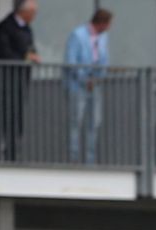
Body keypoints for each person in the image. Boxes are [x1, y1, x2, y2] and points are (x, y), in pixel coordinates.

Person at [0, 0, 38, 163]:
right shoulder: (5, 27)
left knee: (17, 115)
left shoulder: (27, 28)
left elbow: (30, 47)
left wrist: (32, 55)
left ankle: (12, 152)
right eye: (33, 12)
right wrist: (25, 57)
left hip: (21, 79)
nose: (35, 16)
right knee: (4, 114)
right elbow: (3, 52)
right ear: (24, 12)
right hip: (5, 79)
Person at [63, 8, 110, 165]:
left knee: (94, 123)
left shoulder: (103, 37)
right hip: (78, 86)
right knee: (75, 122)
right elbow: (71, 61)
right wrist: (84, 79)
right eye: (108, 24)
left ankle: (91, 160)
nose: (108, 28)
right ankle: (74, 159)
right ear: (102, 23)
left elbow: (104, 60)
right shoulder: (78, 35)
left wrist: (98, 78)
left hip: (95, 86)